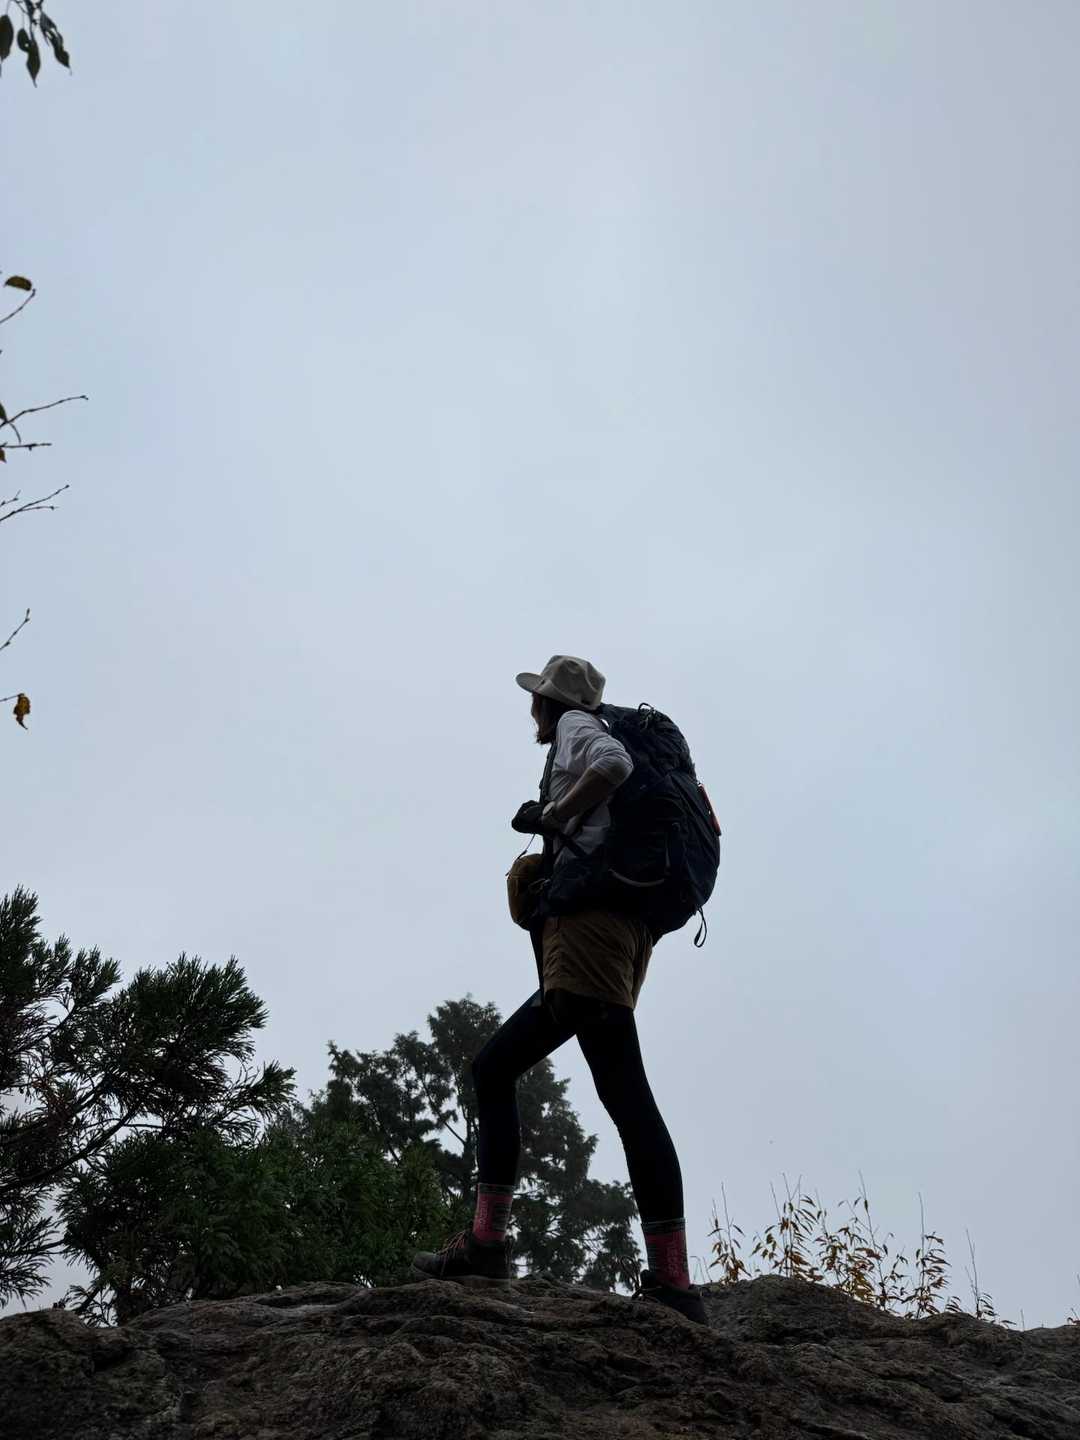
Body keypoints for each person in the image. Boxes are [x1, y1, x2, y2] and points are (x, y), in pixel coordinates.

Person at [412, 655, 708, 1324]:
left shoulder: (577, 727)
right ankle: (669, 1279)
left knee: (520, 1075)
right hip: (619, 932)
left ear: (551, 703)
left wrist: (552, 816)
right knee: (613, 1096)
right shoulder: (587, 729)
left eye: (537, 700)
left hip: (592, 932)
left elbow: (613, 765)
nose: (532, 711)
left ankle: (495, 1248)